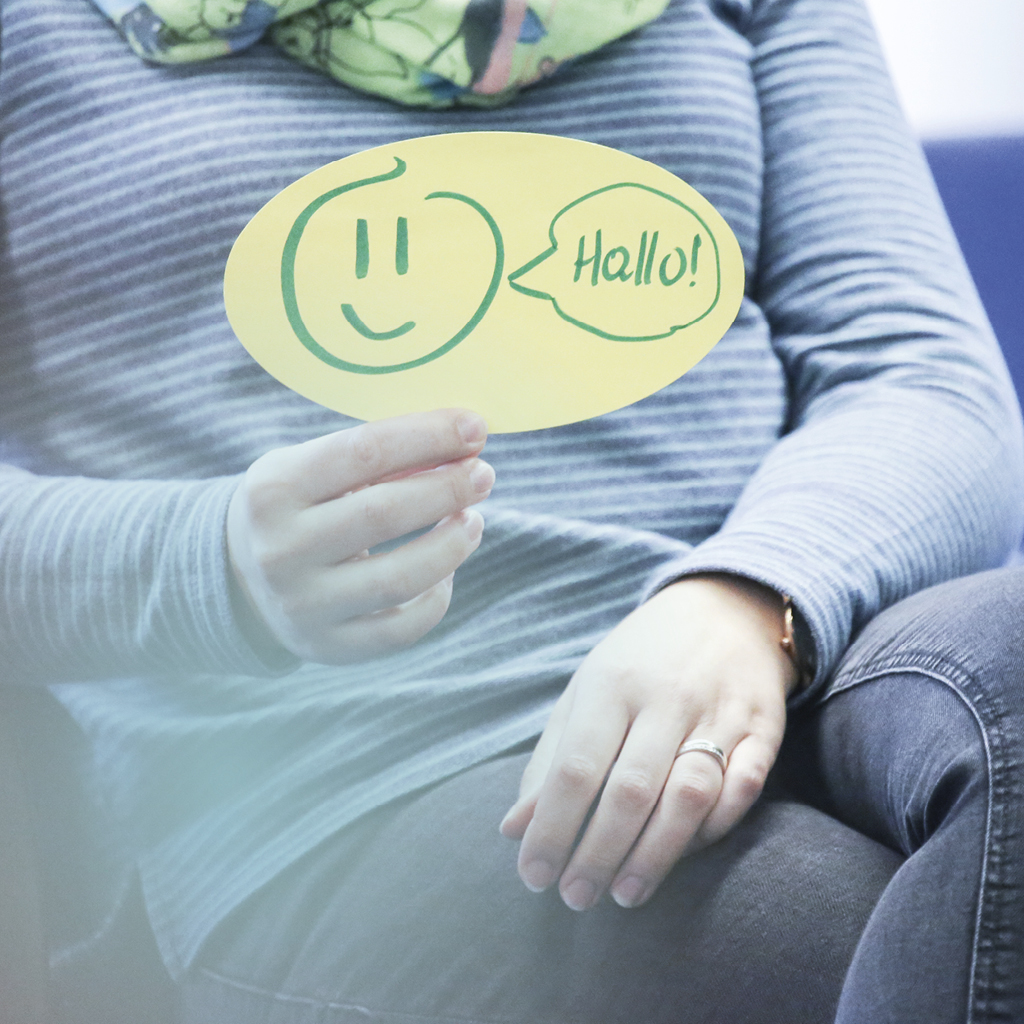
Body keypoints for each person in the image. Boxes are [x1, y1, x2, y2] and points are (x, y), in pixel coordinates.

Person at [1, 0, 1023, 1021]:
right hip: (374, 763)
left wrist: (745, 594)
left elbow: (923, 374)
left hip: (799, 636)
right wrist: (206, 563)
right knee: (863, 938)